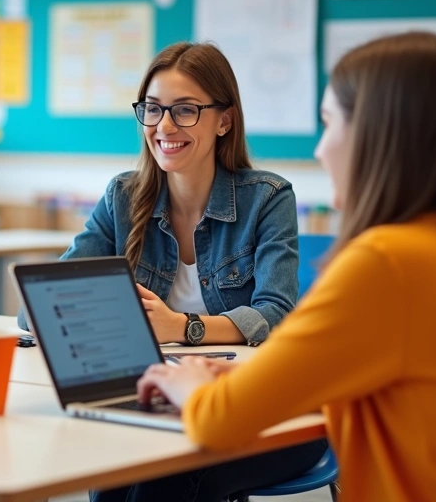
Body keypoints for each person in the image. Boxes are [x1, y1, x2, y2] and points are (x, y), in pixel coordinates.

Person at [136, 32, 436, 501]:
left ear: (377, 134)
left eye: (329, 124)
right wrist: (223, 376)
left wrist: (188, 380)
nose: (320, 149)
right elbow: (324, 372)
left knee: (156, 475)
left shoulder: (388, 264)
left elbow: (217, 421)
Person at [18, 41, 324, 501]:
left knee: (164, 477)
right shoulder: (123, 196)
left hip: (255, 404)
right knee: (112, 472)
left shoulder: (268, 198)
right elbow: (41, 304)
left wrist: (184, 327)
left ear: (225, 119)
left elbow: (276, 313)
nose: (164, 126)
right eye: (153, 109)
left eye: (184, 111)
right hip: (156, 396)